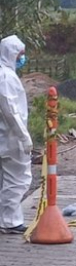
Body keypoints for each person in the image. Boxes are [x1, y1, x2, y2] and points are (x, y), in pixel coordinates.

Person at [0, 35, 31, 234]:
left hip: (7, 136)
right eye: (20, 55)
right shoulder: (6, 77)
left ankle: (6, 218)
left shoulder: (6, 74)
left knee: (7, 179)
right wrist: (23, 136)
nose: (22, 59)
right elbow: (10, 109)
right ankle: (10, 221)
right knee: (18, 179)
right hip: (11, 137)